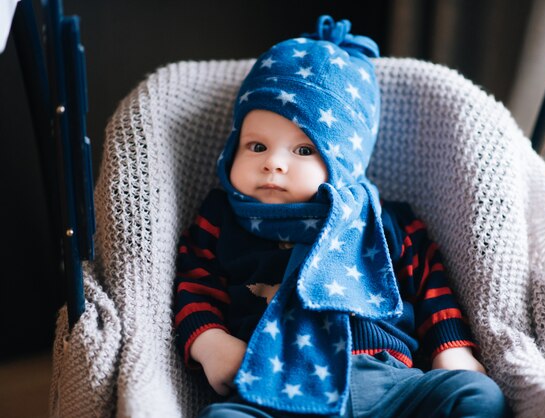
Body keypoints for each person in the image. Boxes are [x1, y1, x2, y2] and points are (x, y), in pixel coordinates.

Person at [174, 15, 509, 418]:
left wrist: (452, 348)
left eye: (303, 150)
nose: (273, 164)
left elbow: (431, 285)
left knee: (478, 396)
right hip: (275, 387)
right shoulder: (222, 217)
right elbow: (194, 283)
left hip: (388, 386)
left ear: (344, 160)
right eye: (257, 146)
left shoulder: (385, 220)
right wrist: (210, 342)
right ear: (232, 147)